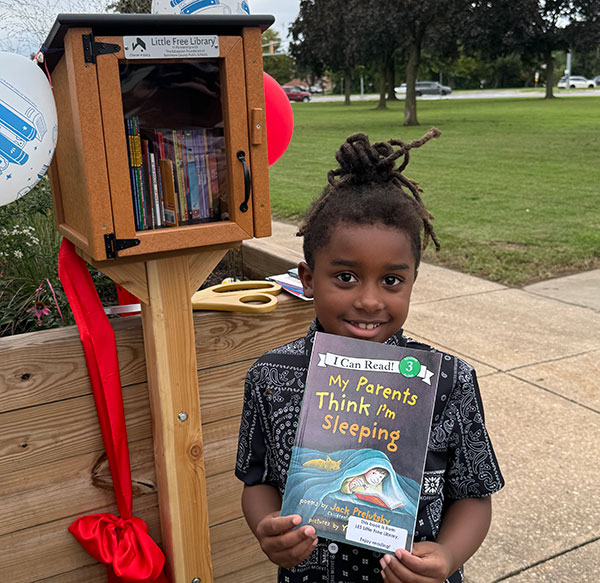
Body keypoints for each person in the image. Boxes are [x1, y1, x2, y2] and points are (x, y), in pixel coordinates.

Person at [235, 129, 504, 583]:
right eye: (345, 276)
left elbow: (473, 494)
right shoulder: (271, 377)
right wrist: (268, 532)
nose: (369, 300)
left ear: (413, 281)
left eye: (392, 281)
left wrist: (448, 556)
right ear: (307, 278)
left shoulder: (448, 381)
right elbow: (257, 479)